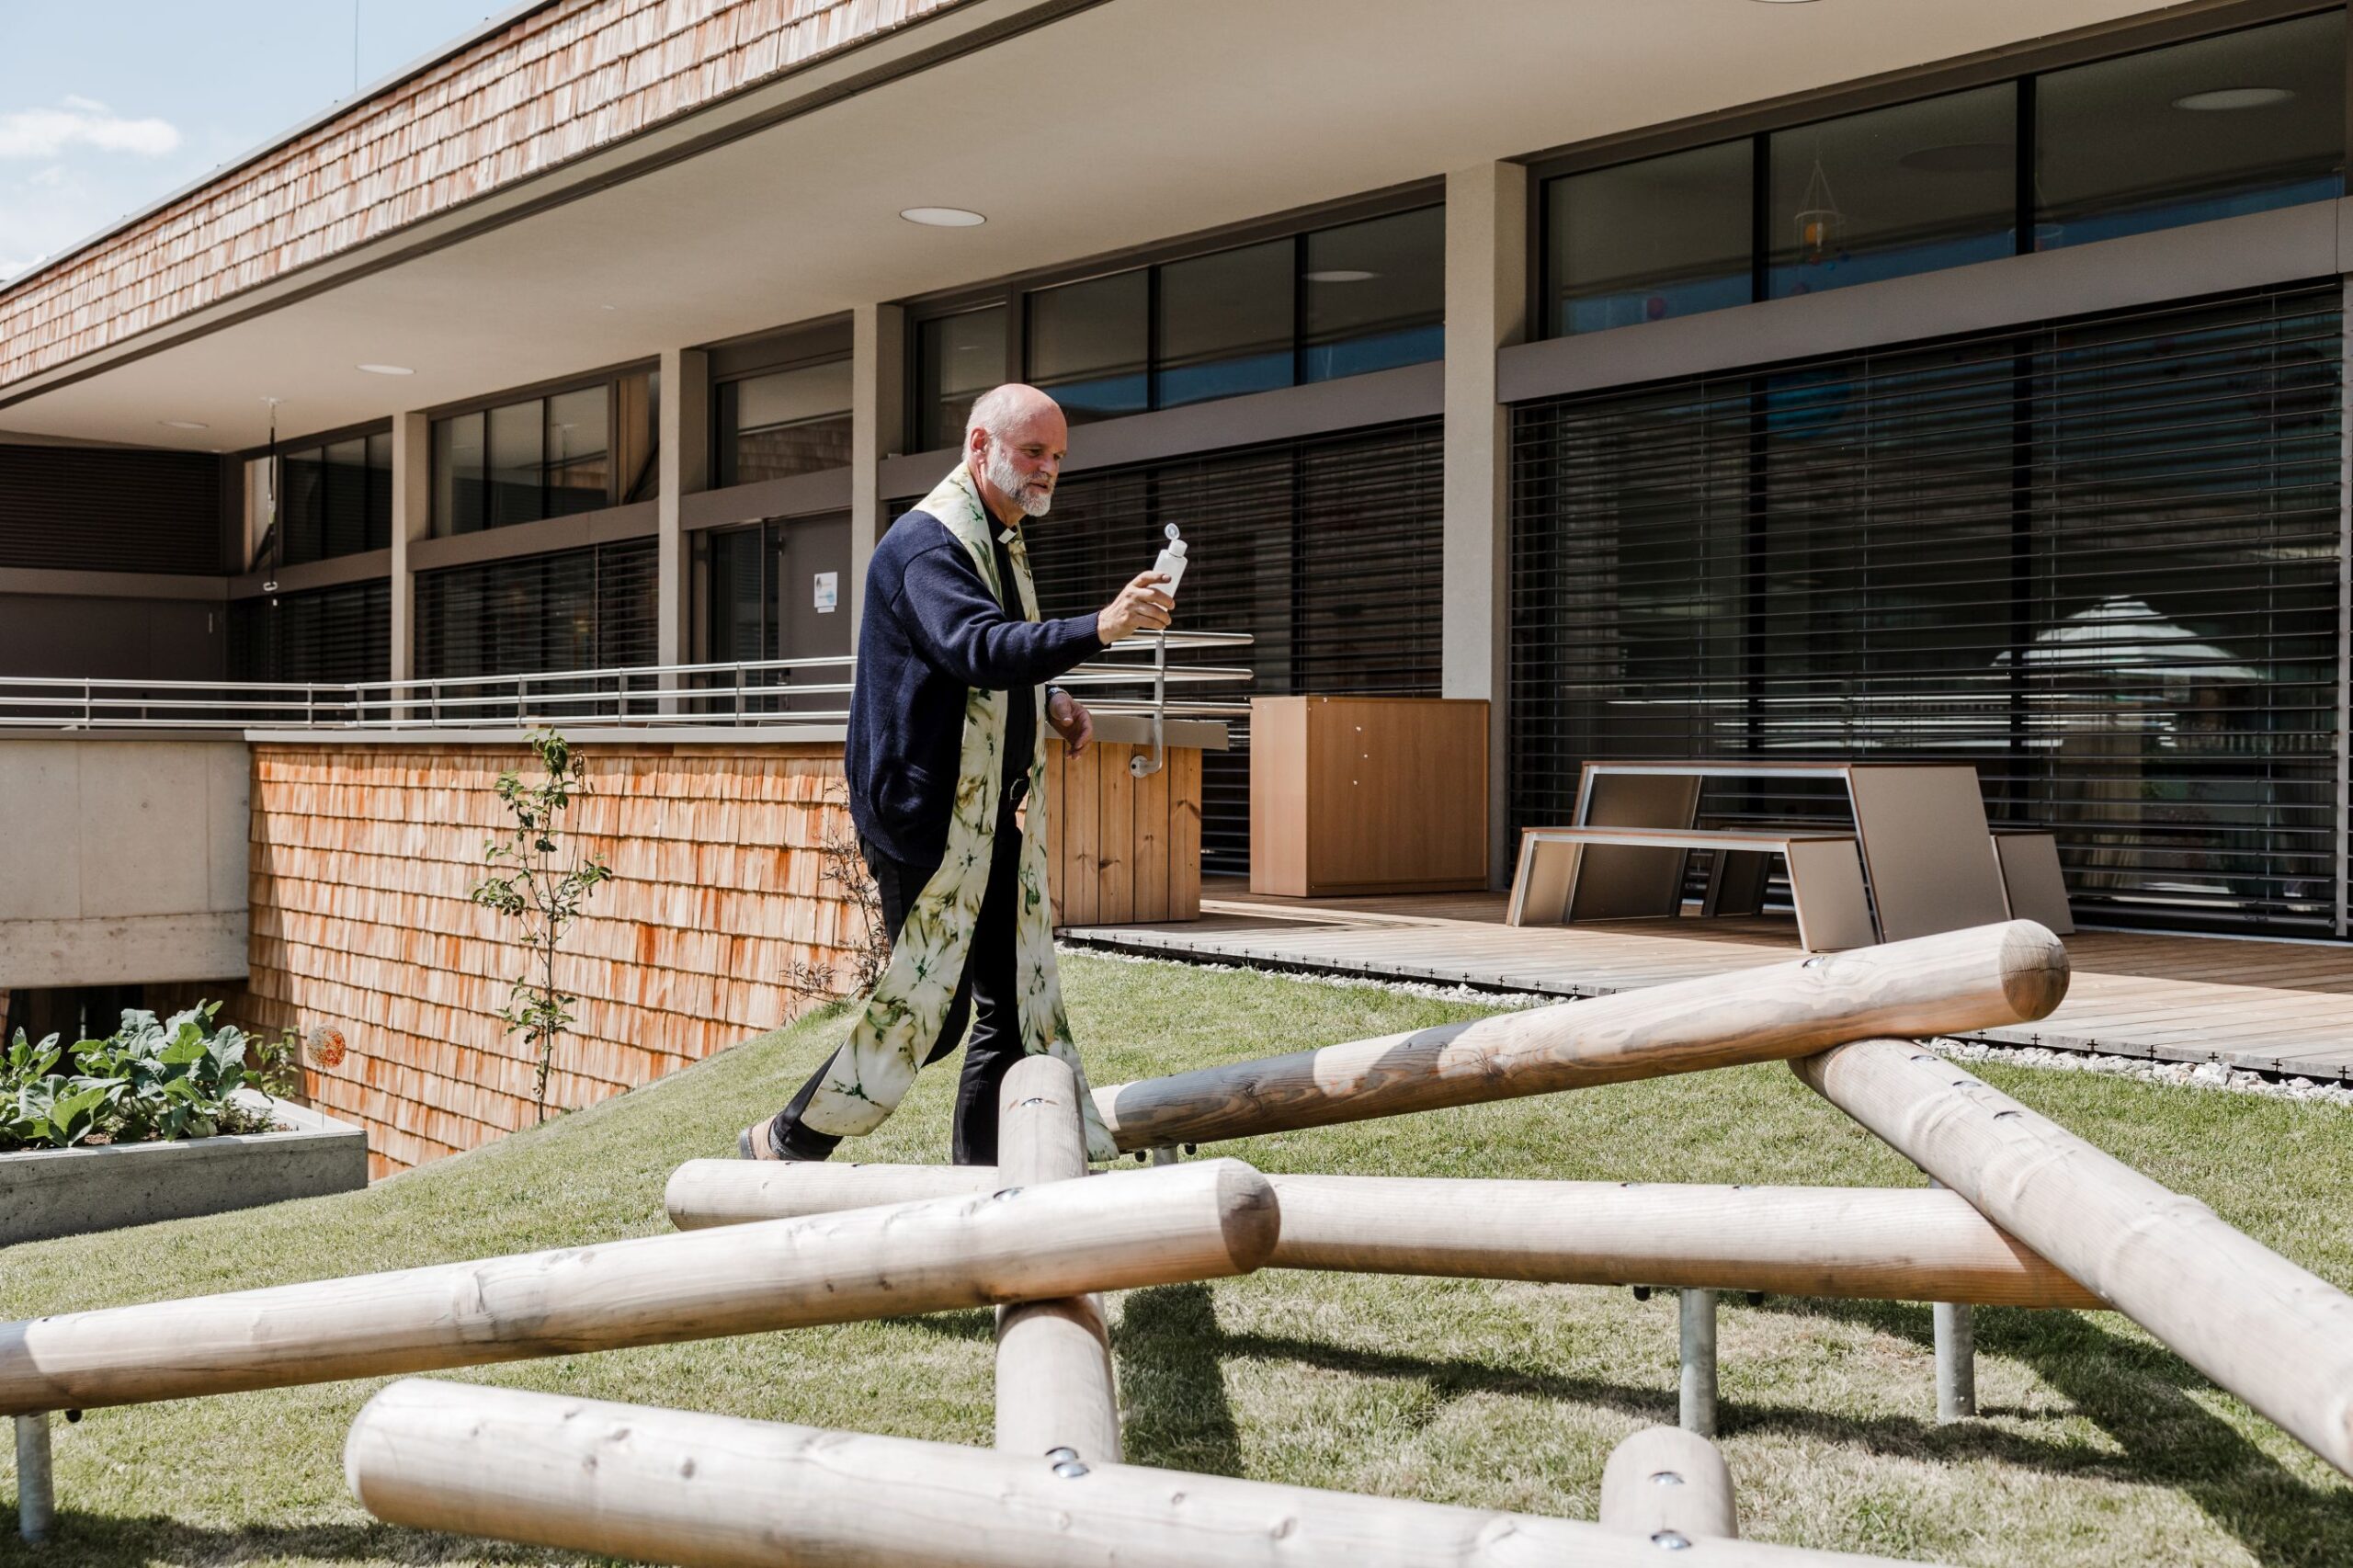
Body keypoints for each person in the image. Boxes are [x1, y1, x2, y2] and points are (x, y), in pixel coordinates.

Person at [739, 382, 1173, 1166]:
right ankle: (785, 1141)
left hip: (991, 817)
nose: (1047, 471)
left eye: (1058, 458)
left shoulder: (996, 535)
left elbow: (982, 662)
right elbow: (975, 647)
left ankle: (988, 1192)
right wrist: (1102, 628)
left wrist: (1052, 700)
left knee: (1008, 1014)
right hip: (925, 818)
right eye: (1032, 452)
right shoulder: (929, 545)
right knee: (931, 1020)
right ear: (980, 448)